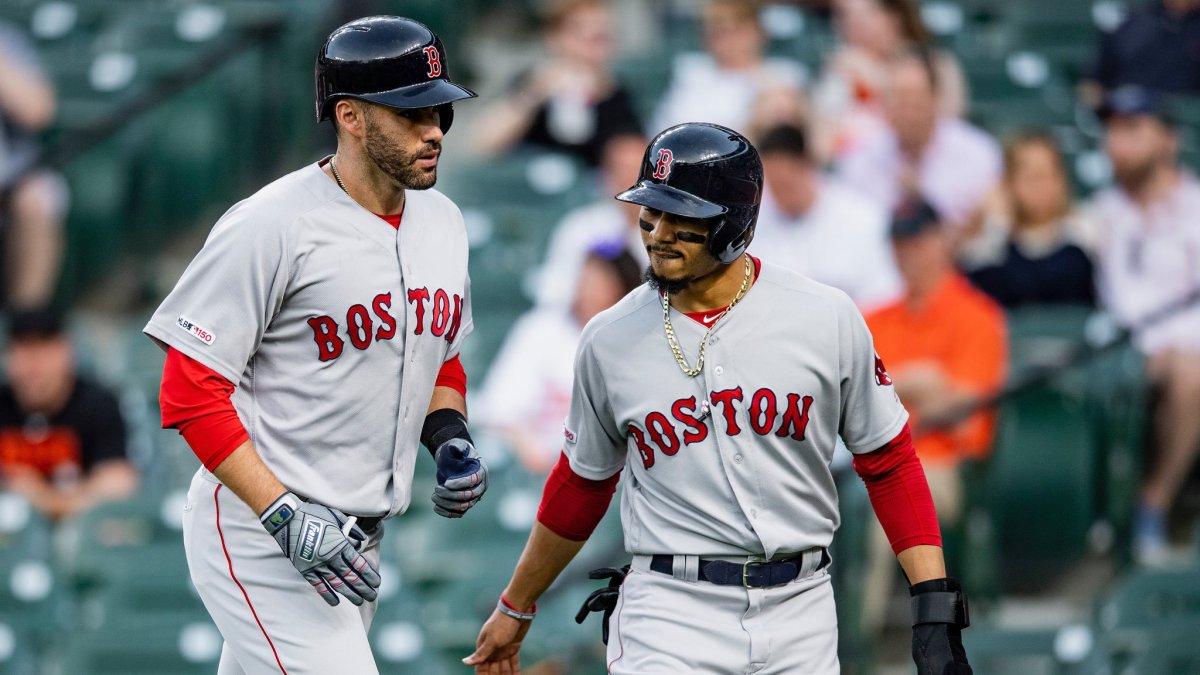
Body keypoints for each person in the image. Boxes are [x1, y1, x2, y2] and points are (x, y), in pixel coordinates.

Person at [465, 123, 972, 674]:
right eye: (650, 211)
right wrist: (517, 604)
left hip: (800, 610)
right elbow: (581, 484)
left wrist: (933, 605)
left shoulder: (824, 317)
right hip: (671, 611)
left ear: (734, 223)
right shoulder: (609, 339)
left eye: (680, 216)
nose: (658, 232)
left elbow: (889, 461)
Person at [145, 17, 489, 674]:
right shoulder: (272, 223)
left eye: (439, 110)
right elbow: (188, 390)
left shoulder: (444, 222)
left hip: (356, 545)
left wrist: (449, 435)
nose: (435, 130)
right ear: (350, 116)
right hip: (261, 532)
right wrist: (280, 514)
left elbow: (440, 355)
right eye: (411, 113)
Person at [862, 198, 1007, 632]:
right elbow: (848, 398)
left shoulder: (977, 315)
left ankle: (854, 643)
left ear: (942, 240)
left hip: (946, 464)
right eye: (900, 243)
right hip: (864, 458)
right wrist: (920, 382)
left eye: (919, 241)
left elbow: (965, 417)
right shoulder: (875, 318)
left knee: (884, 499)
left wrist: (891, 386)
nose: (909, 253)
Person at [1087, 85, 1200, 563]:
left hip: (1186, 346)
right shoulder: (1102, 211)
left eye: (1133, 129)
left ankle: (1153, 501)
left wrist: (1169, 347)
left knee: (1191, 374)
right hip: (1122, 349)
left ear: (1168, 140)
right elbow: (1111, 297)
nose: (1118, 143)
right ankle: (1103, 515)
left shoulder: (1195, 205)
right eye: (1113, 131)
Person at [475, 244, 642, 474]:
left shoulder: (639, 350)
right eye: (586, 280)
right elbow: (496, 412)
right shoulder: (542, 328)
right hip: (529, 470)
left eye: (602, 284)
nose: (588, 291)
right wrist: (528, 449)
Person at [836, 47, 1001, 230]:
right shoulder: (860, 158)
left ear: (935, 97)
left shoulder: (977, 153)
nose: (907, 109)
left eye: (915, 96)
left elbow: (991, 226)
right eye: (897, 97)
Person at [0, 306, 136, 520]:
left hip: (81, 533)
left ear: (66, 352)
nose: (33, 366)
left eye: (43, 351)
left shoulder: (97, 403)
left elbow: (118, 485)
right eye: (23, 351)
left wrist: (46, 500)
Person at [472, 0, 642, 166]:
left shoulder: (618, 95)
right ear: (555, 37)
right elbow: (484, 143)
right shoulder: (533, 83)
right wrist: (537, 91)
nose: (592, 49)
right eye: (581, 36)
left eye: (601, 38)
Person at [753, 123, 901, 310]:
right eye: (774, 186)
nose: (780, 195)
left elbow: (882, 298)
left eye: (786, 184)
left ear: (806, 165)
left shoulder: (862, 218)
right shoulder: (756, 225)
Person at [812, 0, 967, 160]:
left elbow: (947, 126)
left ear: (894, 16)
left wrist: (872, 75)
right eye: (845, 17)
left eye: (866, 16)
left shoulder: (937, 64)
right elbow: (821, 144)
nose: (853, 25)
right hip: (858, 166)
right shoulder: (841, 69)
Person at [965, 131, 1097, 308]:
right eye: (1033, 177)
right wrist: (997, 226)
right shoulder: (993, 240)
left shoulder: (1087, 233)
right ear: (1008, 184)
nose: (1044, 186)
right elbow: (981, 291)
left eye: (1051, 175)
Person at [648, 0, 806, 135]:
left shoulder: (785, 74)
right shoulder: (693, 74)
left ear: (759, 32)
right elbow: (669, 132)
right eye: (718, 33)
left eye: (737, 31)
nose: (729, 41)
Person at [536, 132, 649, 310]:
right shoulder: (581, 227)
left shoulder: (679, 233)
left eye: (639, 170)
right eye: (622, 169)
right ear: (606, 174)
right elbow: (553, 292)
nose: (631, 179)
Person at [0, 20, 66, 308]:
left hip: (9, 178)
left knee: (39, 195)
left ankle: (27, 319)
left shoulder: (5, 38)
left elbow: (38, 110)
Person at [1085, 0, 1200, 101]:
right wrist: (1105, 110)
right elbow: (1094, 81)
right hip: (1124, 109)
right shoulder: (1136, 22)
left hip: (1180, 111)